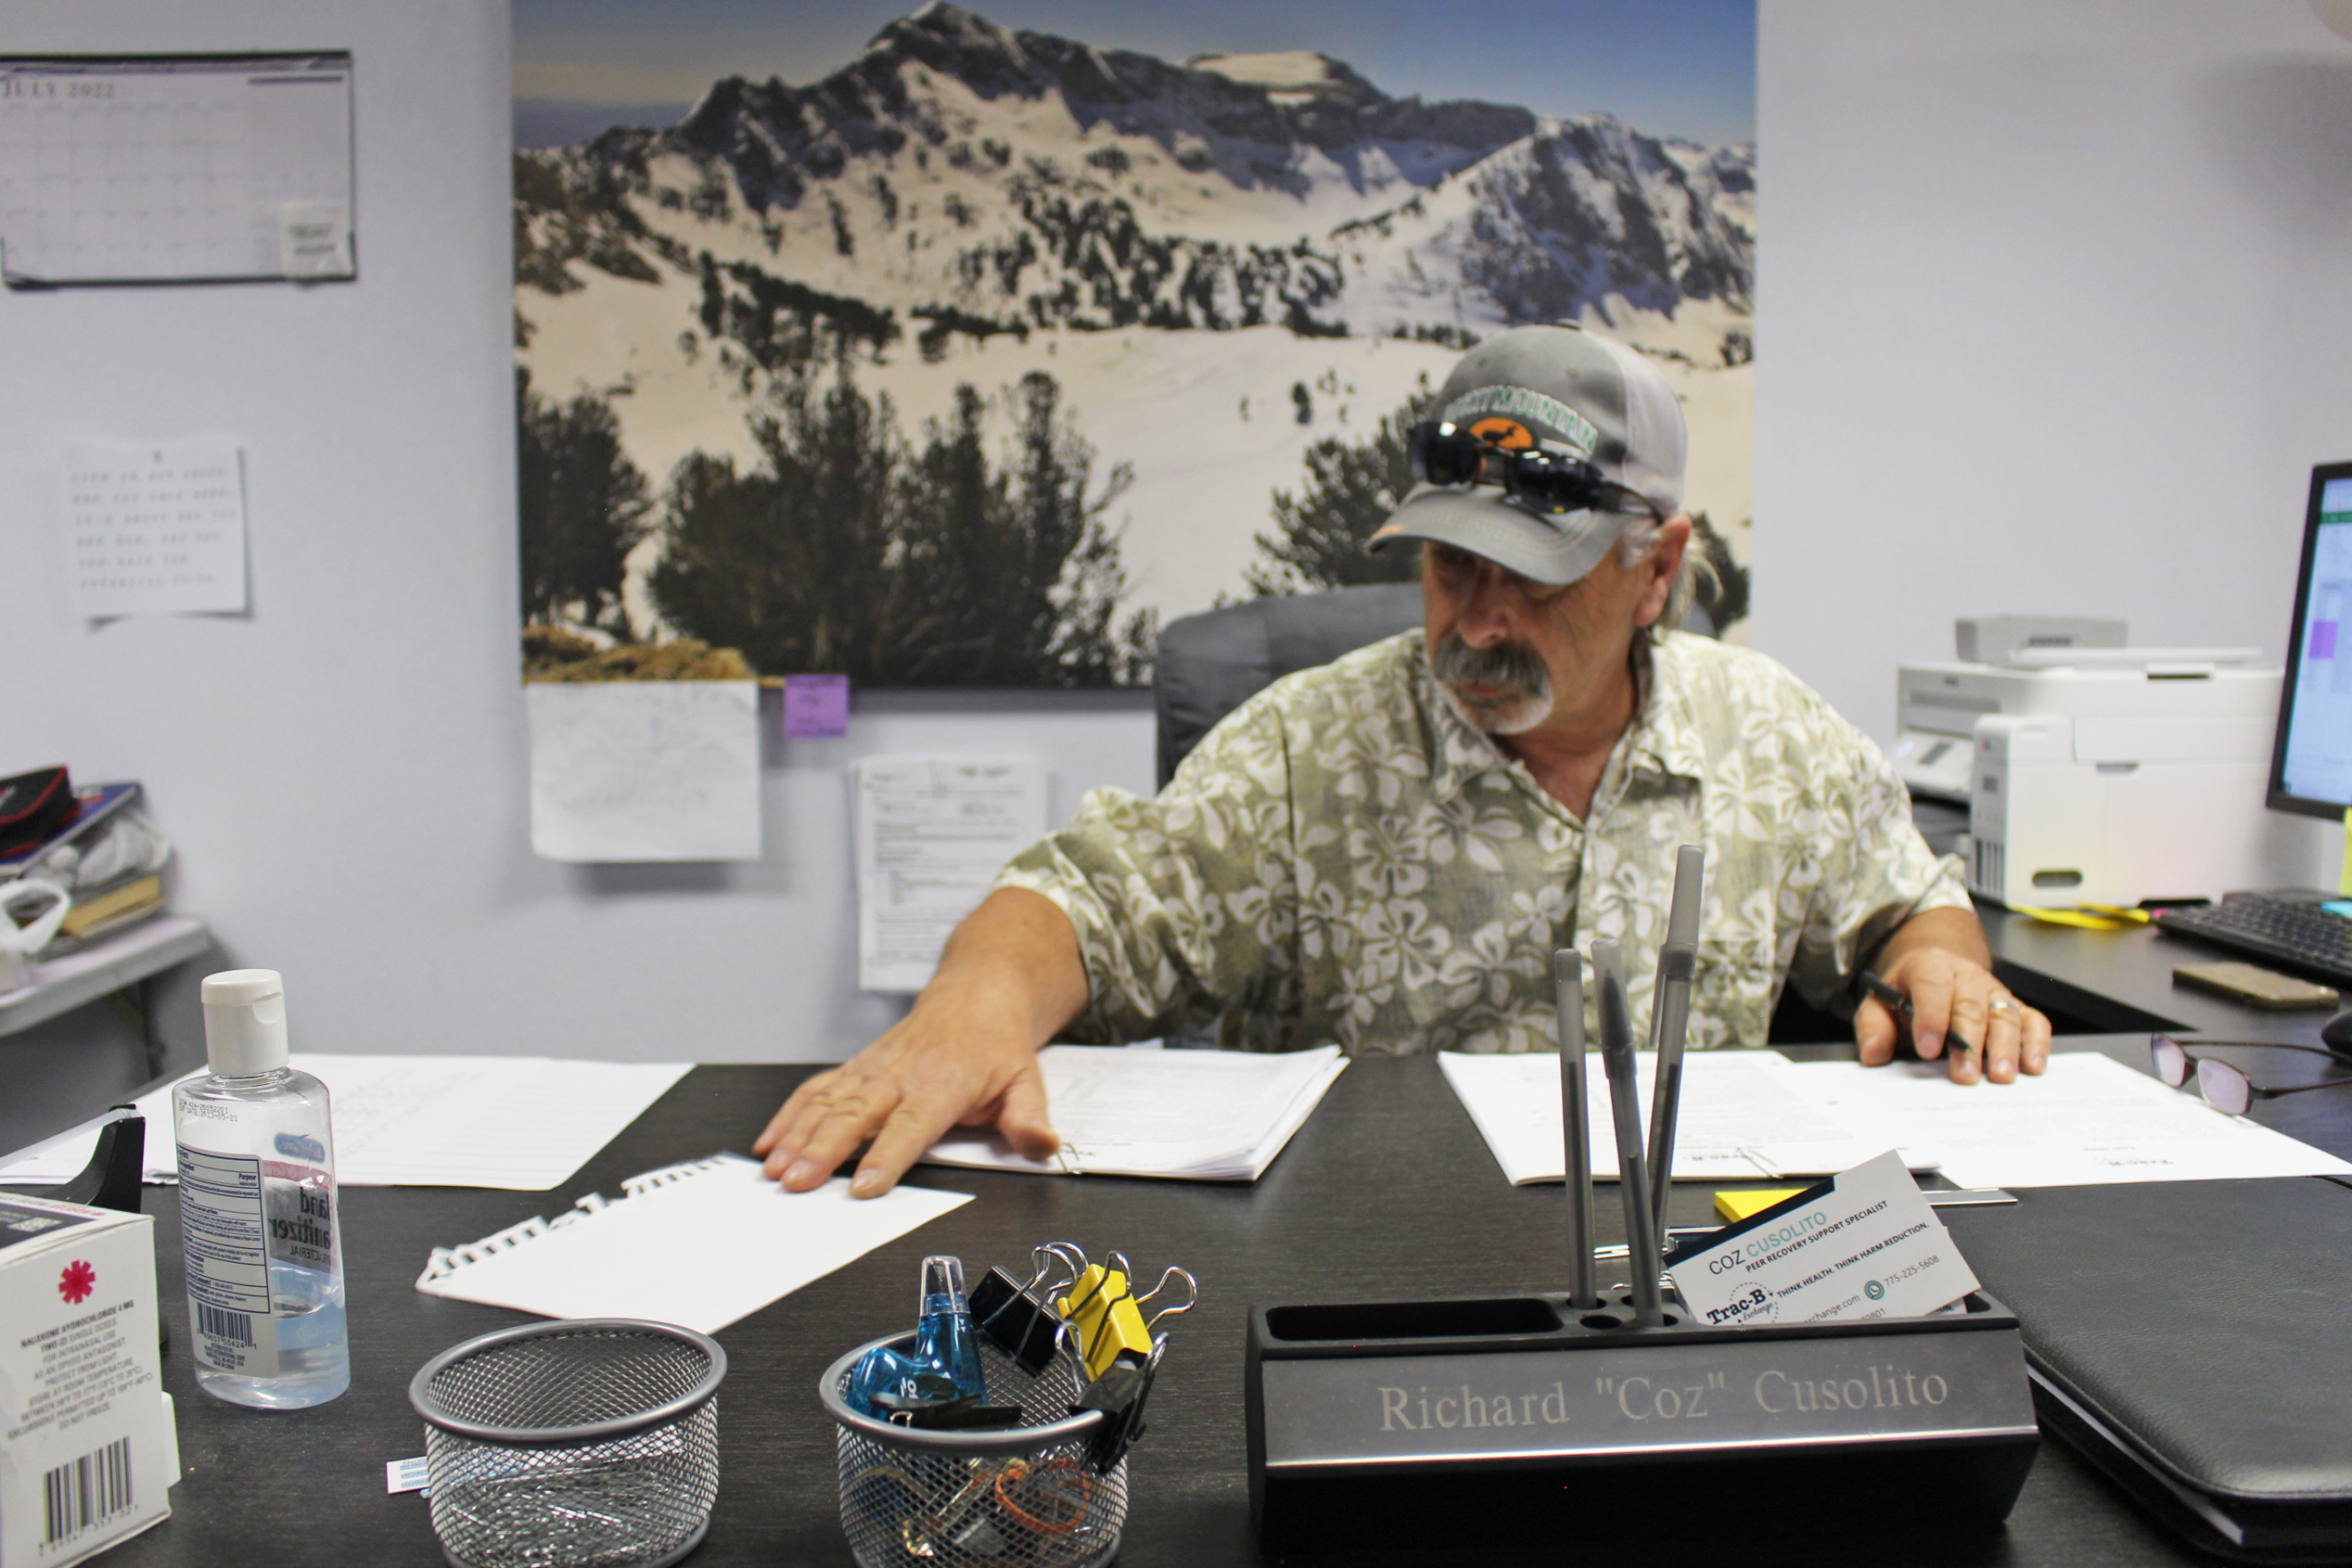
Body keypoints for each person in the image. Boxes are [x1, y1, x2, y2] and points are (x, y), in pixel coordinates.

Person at [757, 325, 2051, 1198]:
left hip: (1689, 1257)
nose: (1478, 622)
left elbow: (1910, 904)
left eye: (1534, 578)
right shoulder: (1308, 745)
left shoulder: (1771, 733)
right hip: (1367, 1253)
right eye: (1451, 567)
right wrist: (967, 1010)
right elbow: (1087, 901)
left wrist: (1940, 966)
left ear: (1655, 568)